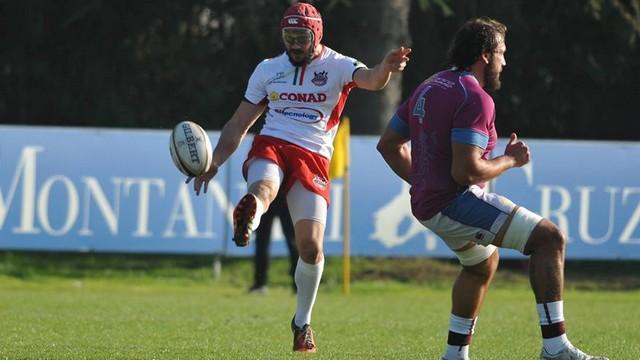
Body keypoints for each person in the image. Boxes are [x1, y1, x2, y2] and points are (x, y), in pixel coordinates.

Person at [376, 17, 608, 360]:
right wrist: (510, 160)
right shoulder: (475, 97)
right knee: (549, 239)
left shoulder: (430, 85)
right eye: (501, 52)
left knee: (481, 264)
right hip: (454, 201)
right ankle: (555, 347)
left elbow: (389, 144)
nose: (505, 61)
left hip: (428, 203)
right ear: (485, 55)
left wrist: (424, 182)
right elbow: (467, 170)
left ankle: (454, 355)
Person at [189, 2, 411, 353]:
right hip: (273, 144)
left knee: (311, 247)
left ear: (316, 35)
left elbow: (370, 79)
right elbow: (237, 125)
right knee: (264, 187)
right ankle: (250, 212)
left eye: (301, 37)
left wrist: (385, 67)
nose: (293, 44)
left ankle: (302, 321)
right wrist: (215, 160)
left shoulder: (337, 65)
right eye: (288, 36)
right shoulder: (267, 69)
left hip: (314, 159)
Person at [248, 190, 298, 294]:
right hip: (265, 194)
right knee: (261, 241)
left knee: (293, 242)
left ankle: (298, 284)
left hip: (285, 194)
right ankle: (260, 283)